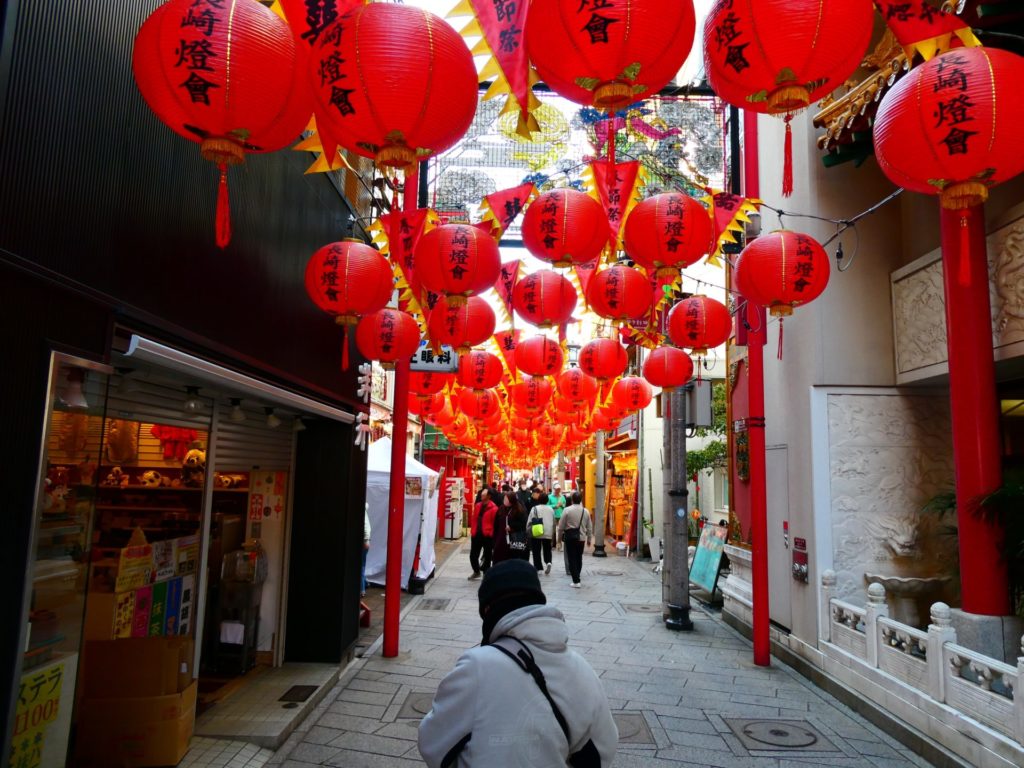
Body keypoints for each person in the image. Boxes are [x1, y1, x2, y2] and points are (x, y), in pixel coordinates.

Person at [418, 560, 618, 768]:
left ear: (488, 610)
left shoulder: (477, 667)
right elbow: (604, 750)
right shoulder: (582, 669)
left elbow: (433, 745)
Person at [557, 491, 593, 588]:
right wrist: (589, 538)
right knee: (579, 557)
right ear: (581, 500)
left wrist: (559, 540)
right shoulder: (586, 511)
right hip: (581, 538)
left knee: (571, 557)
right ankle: (577, 575)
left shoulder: (567, 510)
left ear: (572, 500)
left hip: (570, 537)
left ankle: (576, 580)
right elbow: (589, 527)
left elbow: (561, 526)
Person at [468, 488, 498, 580]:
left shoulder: (494, 508)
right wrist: (473, 530)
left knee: (488, 556)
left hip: (487, 535)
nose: (481, 496)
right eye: (481, 494)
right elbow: (474, 519)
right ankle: (476, 571)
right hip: (476, 534)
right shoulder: (478, 505)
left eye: (484, 495)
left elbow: (495, 523)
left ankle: (486, 573)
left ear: (489, 496)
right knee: (473, 555)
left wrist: (491, 533)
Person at [492, 492, 528, 563]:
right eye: (504, 498)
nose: (504, 500)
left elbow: (523, 523)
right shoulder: (501, 508)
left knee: (511, 557)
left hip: (513, 539)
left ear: (511, 500)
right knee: (498, 557)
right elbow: (496, 524)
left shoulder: (519, 510)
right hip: (501, 538)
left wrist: (512, 527)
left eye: (506, 499)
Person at [527, 487, 555, 574]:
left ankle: (538, 568)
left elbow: (529, 521)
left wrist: (527, 531)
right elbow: (554, 522)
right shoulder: (551, 509)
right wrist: (553, 531)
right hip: (548, 532)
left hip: (537, 531)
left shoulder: (534, 508)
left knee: (536, 550)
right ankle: (548, 562)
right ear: (547, 500)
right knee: (547, 549)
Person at [549, 483, 567, 550]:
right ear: (554, 489)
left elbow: (565, 505)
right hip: (553, 515)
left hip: (561, 515)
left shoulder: (562, 497)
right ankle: (552, 544)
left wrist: (561, 505)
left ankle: (559, 544)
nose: (558, 491)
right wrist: (555, 506)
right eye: (557, 489)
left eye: (559, 489)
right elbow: (547, 506)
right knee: (552, 530)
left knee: (560, 530)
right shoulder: (550, 497)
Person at [361, 503, 371, 597]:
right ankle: (365, 584)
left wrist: (366, 540)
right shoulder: (365, 514)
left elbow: (365, 529)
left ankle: (362, 589)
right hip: (366, 541)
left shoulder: (362, 514)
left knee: (361, 566)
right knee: (362, 565)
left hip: (364, 542)